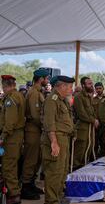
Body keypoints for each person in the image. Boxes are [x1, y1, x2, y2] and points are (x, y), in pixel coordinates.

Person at [41, 75, 75, 204]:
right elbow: (49, 123)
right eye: (69, 87)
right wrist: (54, 142)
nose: (71, 89)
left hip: (63, 138)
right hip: (55, 138)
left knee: (62, 170)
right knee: (54, 172)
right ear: (62, 86)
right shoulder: (52, 100)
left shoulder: (63, 100)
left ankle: (58, 197)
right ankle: (51, 200)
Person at [21, 69, 49, 200]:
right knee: (31, 159)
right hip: (32, 130)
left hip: (37, 130)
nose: (47, 81)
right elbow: (34, 115)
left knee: (37, 158)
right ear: (41, 79)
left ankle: (31, 183)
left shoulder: (38, 92)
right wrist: (46, 126)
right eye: (46, 78)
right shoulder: (33, 93)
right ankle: (25, 186)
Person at [0, 75, 26, 204]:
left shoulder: (11, 98)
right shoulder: (18, 95)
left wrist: (3, 136)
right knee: (13, 165)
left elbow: (10, 121)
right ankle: (14, 193)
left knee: (8, 166)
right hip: (17, 135)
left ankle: (13, 195)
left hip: (12, 137)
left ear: (5, 85)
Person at [72, 77, 99, 170]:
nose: (92, 85)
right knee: (80, 151)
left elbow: (92, 111)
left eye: (92, 83)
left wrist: (95, 119)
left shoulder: (89, 97)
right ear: (83, 85)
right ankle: (74, 171)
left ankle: (83, 170)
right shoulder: (78, 97)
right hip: (82, 129)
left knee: (89, 149)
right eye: (89, 84)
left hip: (90, 129)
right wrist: (93, 120)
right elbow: (81, 114)